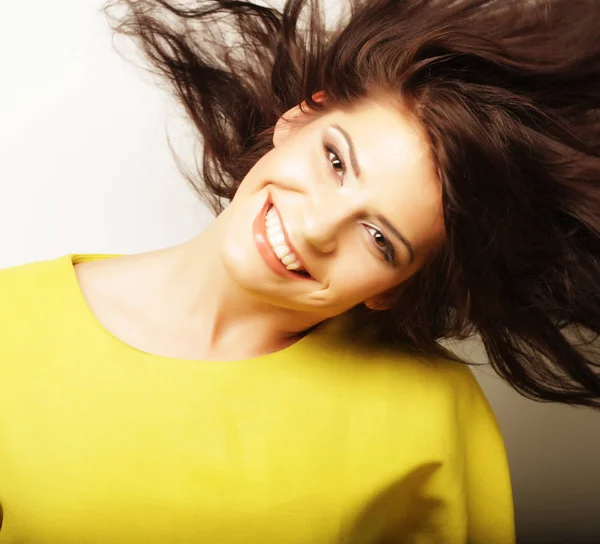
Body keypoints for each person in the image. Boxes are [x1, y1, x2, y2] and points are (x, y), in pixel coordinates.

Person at [0, 0, 598, 542]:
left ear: (394, 291)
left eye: (378, 239)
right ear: (298, 118)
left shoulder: (432, 416)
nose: (316, 228)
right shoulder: (11, 320)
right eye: (336, 160)